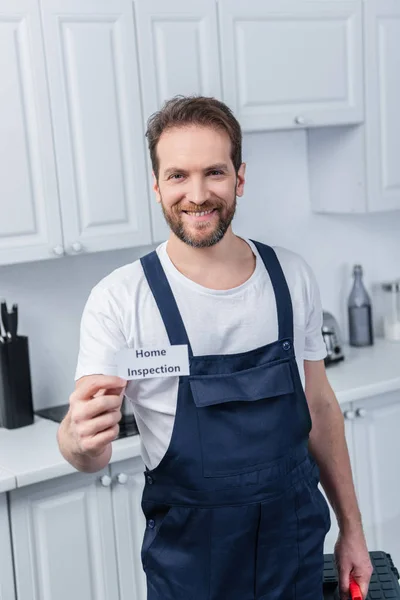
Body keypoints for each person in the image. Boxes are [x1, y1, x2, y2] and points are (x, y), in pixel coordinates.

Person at [57, 96, 372, 600]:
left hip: (293, 554)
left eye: (215, 173)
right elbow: (85, 451)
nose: (197, 194)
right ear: (157, 185)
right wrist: (79, 440)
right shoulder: (119, 299)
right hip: (190, 570)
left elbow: (320, 408)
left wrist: (352, 529)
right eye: (178, 175)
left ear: (239, 179)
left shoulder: (291, 277)